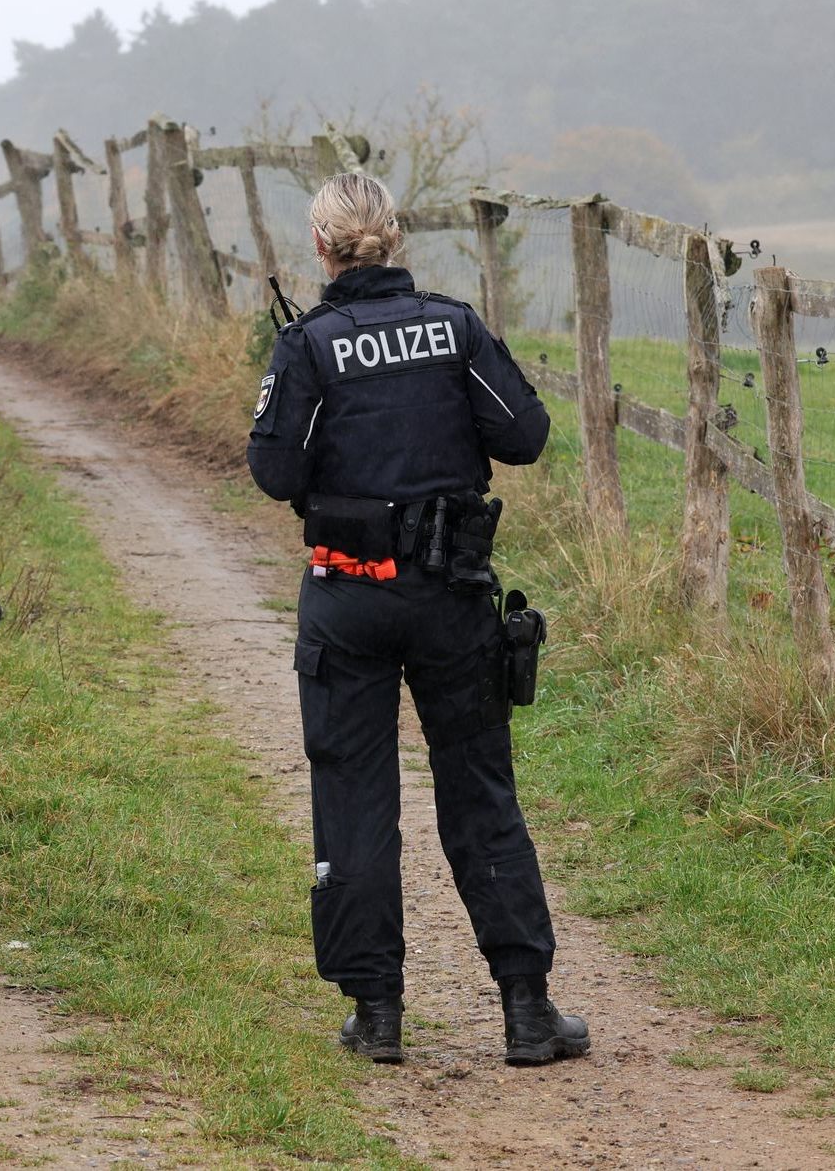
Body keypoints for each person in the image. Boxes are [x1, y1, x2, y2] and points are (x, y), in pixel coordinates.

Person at [246, 173, 589, 1066]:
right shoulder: (454, 328)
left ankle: (378, 1014)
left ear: (320, 246)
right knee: (479, 791)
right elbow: (524, 434)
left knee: (355, 797)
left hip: (348, 596)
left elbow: (275, 473)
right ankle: (527, 1010)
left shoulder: (307, 346)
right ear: (394, 237)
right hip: (451, 595)